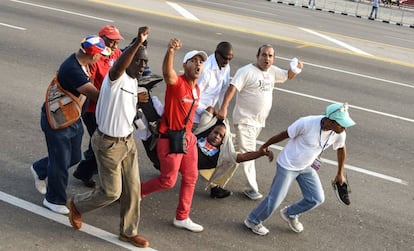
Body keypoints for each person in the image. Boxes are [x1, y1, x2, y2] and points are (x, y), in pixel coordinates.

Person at [68, 27, 150, 248]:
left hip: (127, 142)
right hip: (108, 144)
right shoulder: (116, 77)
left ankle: (128, 232)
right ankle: (76, 204)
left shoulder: (134, 81)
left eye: (145, 62)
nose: (143, 66)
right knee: (112, 192)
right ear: (129, 60)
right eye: (139, 62)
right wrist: (137, 43)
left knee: (133, 189)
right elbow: (121, 64)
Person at [244, 102, 355, 236]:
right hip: (287, 165)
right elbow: (284, 134)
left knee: (317, 198)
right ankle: (252, 220)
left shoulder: (339, 132)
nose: (344, 127)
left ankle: (290, 213)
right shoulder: (306, 123)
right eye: (341, 123)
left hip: (306, 166)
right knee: (275, 199)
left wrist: (340, 173)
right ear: (330, 121)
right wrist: (265, 146)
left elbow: (341, 149)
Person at [29, 35, 108, 214]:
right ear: (93, 55)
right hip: (58, 121)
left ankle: (39, 168)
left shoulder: (82, 63)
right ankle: (54, 199)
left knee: (74, 157)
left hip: (71, 117)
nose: (102, 57)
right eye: (100, 55)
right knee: (60, 161)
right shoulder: (72, 69)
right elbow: (95, 95)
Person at [217, 44, 303, 200]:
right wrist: (223, 108)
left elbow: (287, 76)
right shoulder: (246, 71)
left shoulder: (272, 71)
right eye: (264, 55)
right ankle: (251, 188)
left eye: (270, 56)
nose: (267, 59)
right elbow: (232, 89)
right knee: (249, 154)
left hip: (258, 122)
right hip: (245, 121)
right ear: (257, 56)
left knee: (235, 151)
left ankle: (213, 171)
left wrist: (295, 69)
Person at [140, 38, 207, 233]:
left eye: (201, 62)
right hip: (170, 139)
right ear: (184, 65)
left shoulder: (196, 89)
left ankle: (182, 217)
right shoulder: (177, 83)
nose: (198, 64)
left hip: (187, 139)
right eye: (193, 61)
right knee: (168, 181)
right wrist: (170, 51)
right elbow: (167, 73)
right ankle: (137, 192)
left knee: (191, 177)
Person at [73, 25, 124, 188]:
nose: (114, 45)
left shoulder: (117, 53)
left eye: (117, 41)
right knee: (101, 144)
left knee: (97, 144)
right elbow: (90, 86)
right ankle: (85, 171)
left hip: (110, 106)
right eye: (111, 41)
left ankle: (85, 170)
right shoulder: (95, 58)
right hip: (94, 109)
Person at [194, 107, 274, 199]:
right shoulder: (202, 131)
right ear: (210, 131)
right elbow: (210, 109)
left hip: (191, 168)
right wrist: (219, 117)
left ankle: (214, 188)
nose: (216, 136)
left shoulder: (223, 153)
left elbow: (243, 157)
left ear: (223, 141)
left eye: (221, 136)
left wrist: (260, 153)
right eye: (215, 133)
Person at [193, 42, 233, 129]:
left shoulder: (225, 66)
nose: (227, 62)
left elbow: (224, 89)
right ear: (217, 54)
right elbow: (193, 95)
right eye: (225, 58)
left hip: (209, 115)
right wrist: (207, 112)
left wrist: (222, 109)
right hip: (194, 117)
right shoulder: (205, 69)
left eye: (230, 59)